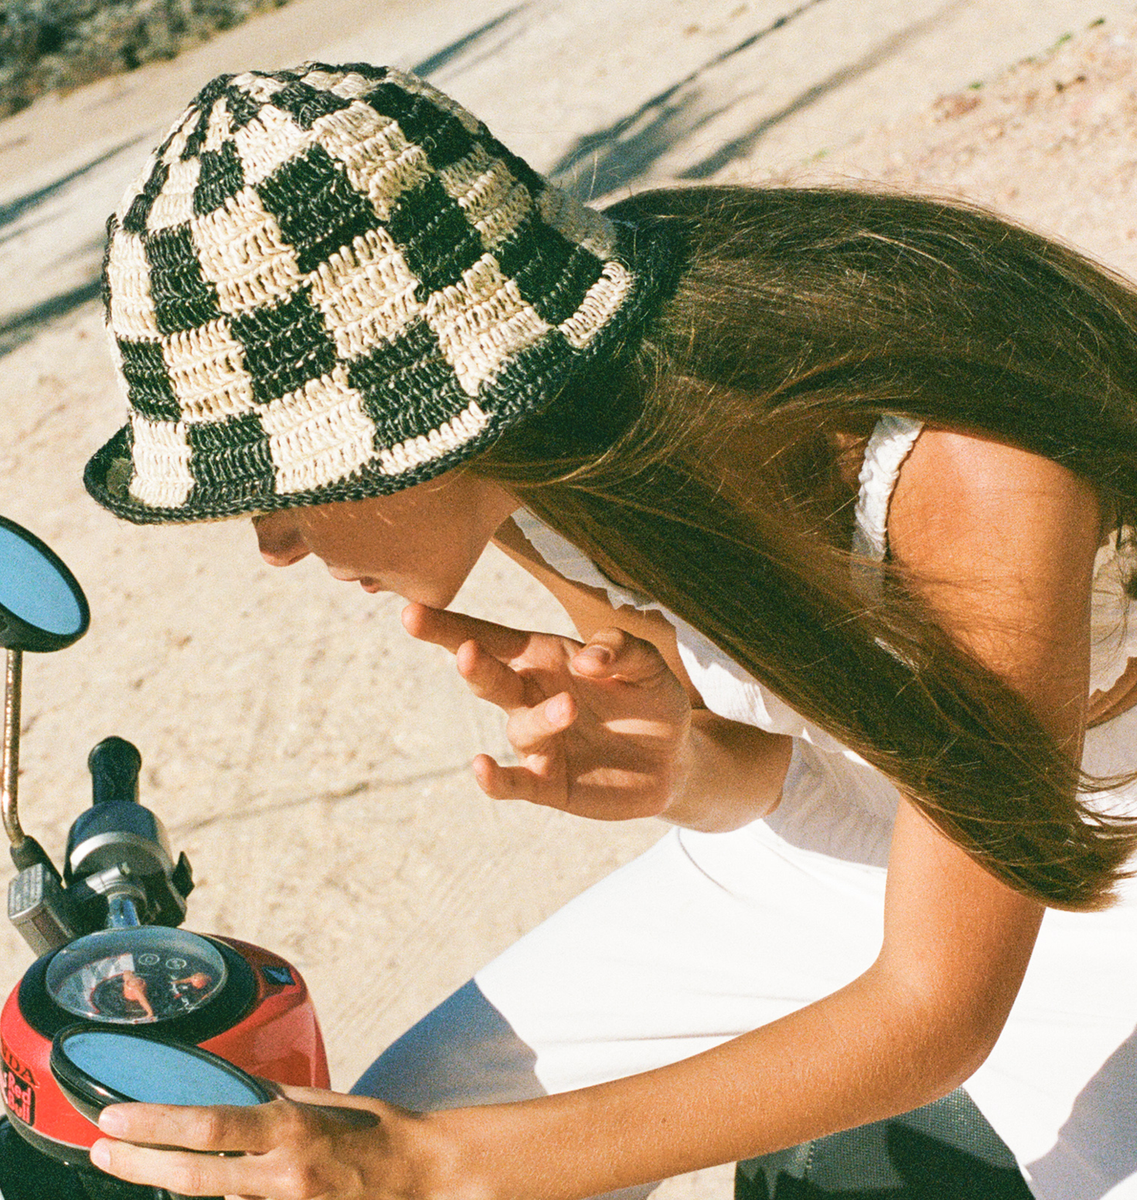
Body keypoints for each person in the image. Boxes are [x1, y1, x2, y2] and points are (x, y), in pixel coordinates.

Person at [80, 60, 1137, 1200]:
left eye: (288, 476)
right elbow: (812, 767)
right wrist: (692, 764)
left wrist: (422, 1166)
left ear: (440, 417)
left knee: (408, 1152)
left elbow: (937, 1010)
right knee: (414, 1110)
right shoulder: (550, 451)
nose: (271, 540)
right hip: (917, 847)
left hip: (1082, 872)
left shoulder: (969, 476)